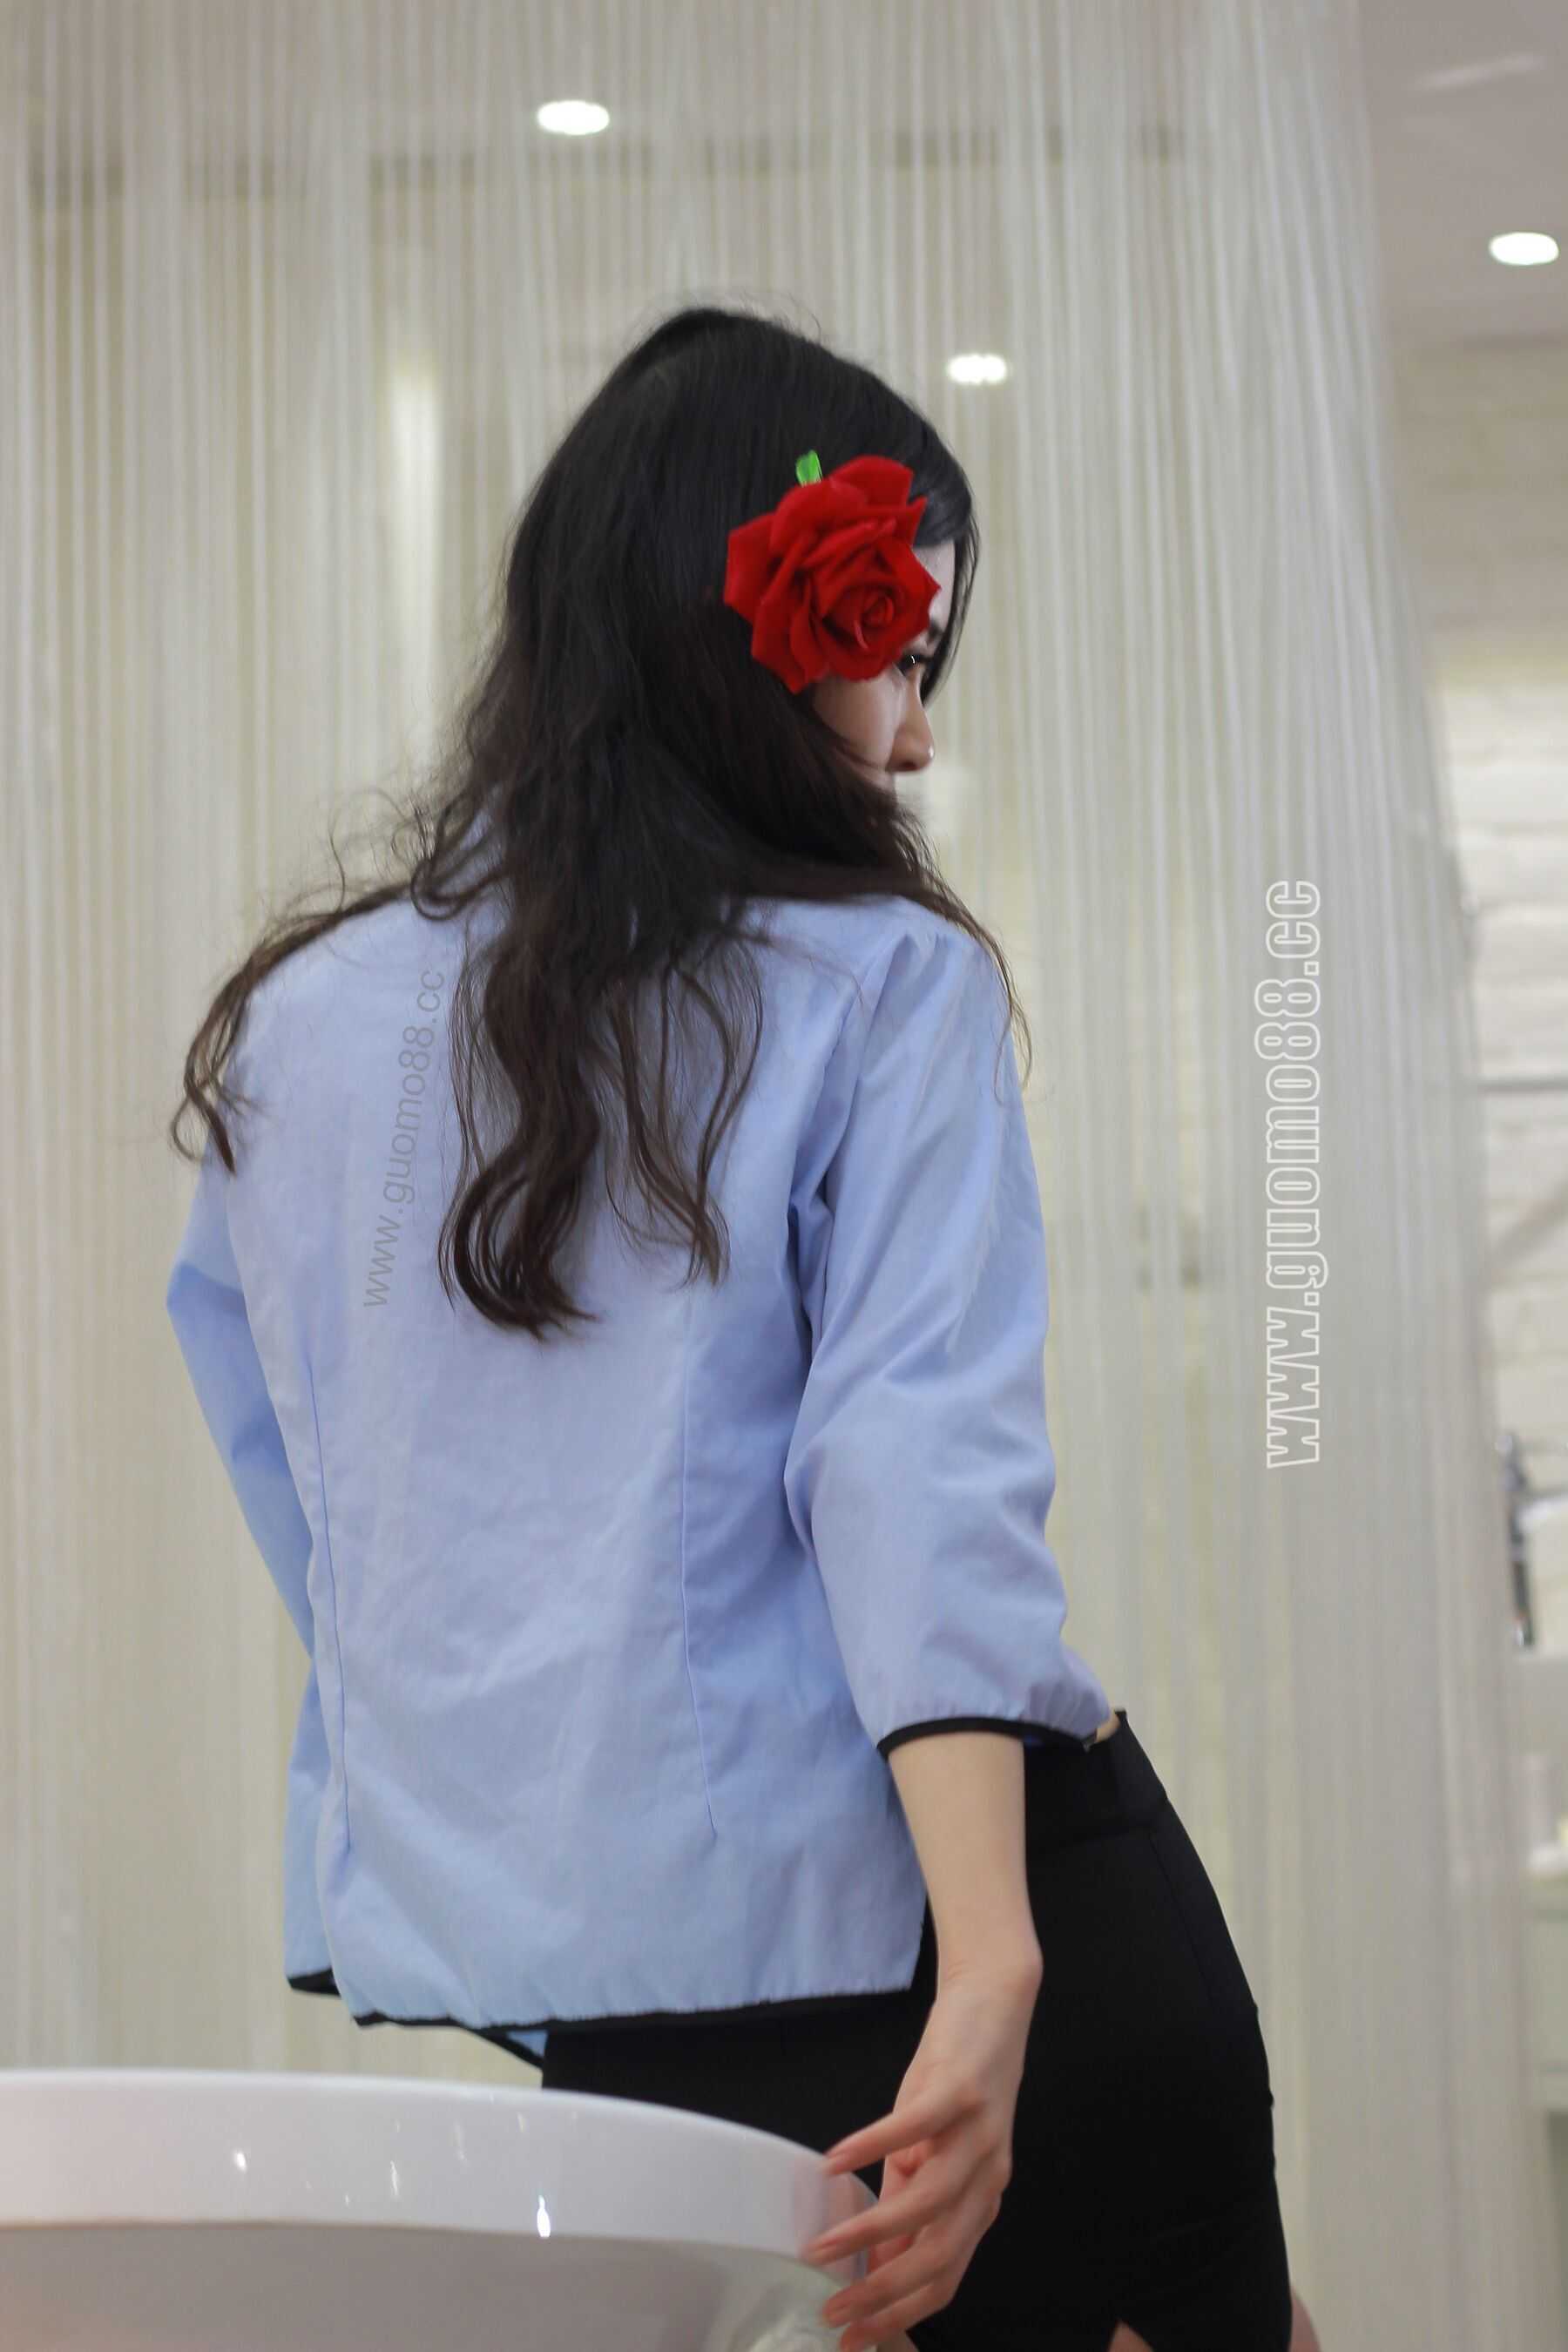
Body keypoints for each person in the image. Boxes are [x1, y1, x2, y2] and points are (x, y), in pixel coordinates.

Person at [166, 303, 1317, 2352]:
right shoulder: (882, 982)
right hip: (982, 1941)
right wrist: (995, 1967)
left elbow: (335, 1506)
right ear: (770, 643)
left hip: (627, 2019)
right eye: (901, 651)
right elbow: (918, 1464)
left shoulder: (297, 1030)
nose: (918, 736)